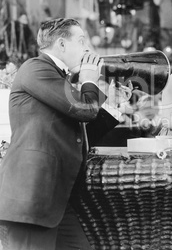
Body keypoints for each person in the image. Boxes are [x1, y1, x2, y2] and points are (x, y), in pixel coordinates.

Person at [0, 18, 131, 250]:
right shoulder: (35, 68)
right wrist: (89, 78)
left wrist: (112, 103)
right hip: (32, 198)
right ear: (61, 44)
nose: (86, 49)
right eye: (81, 41)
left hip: (56, 200)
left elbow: (80, 132)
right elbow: (84, 109)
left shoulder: (60, 78)